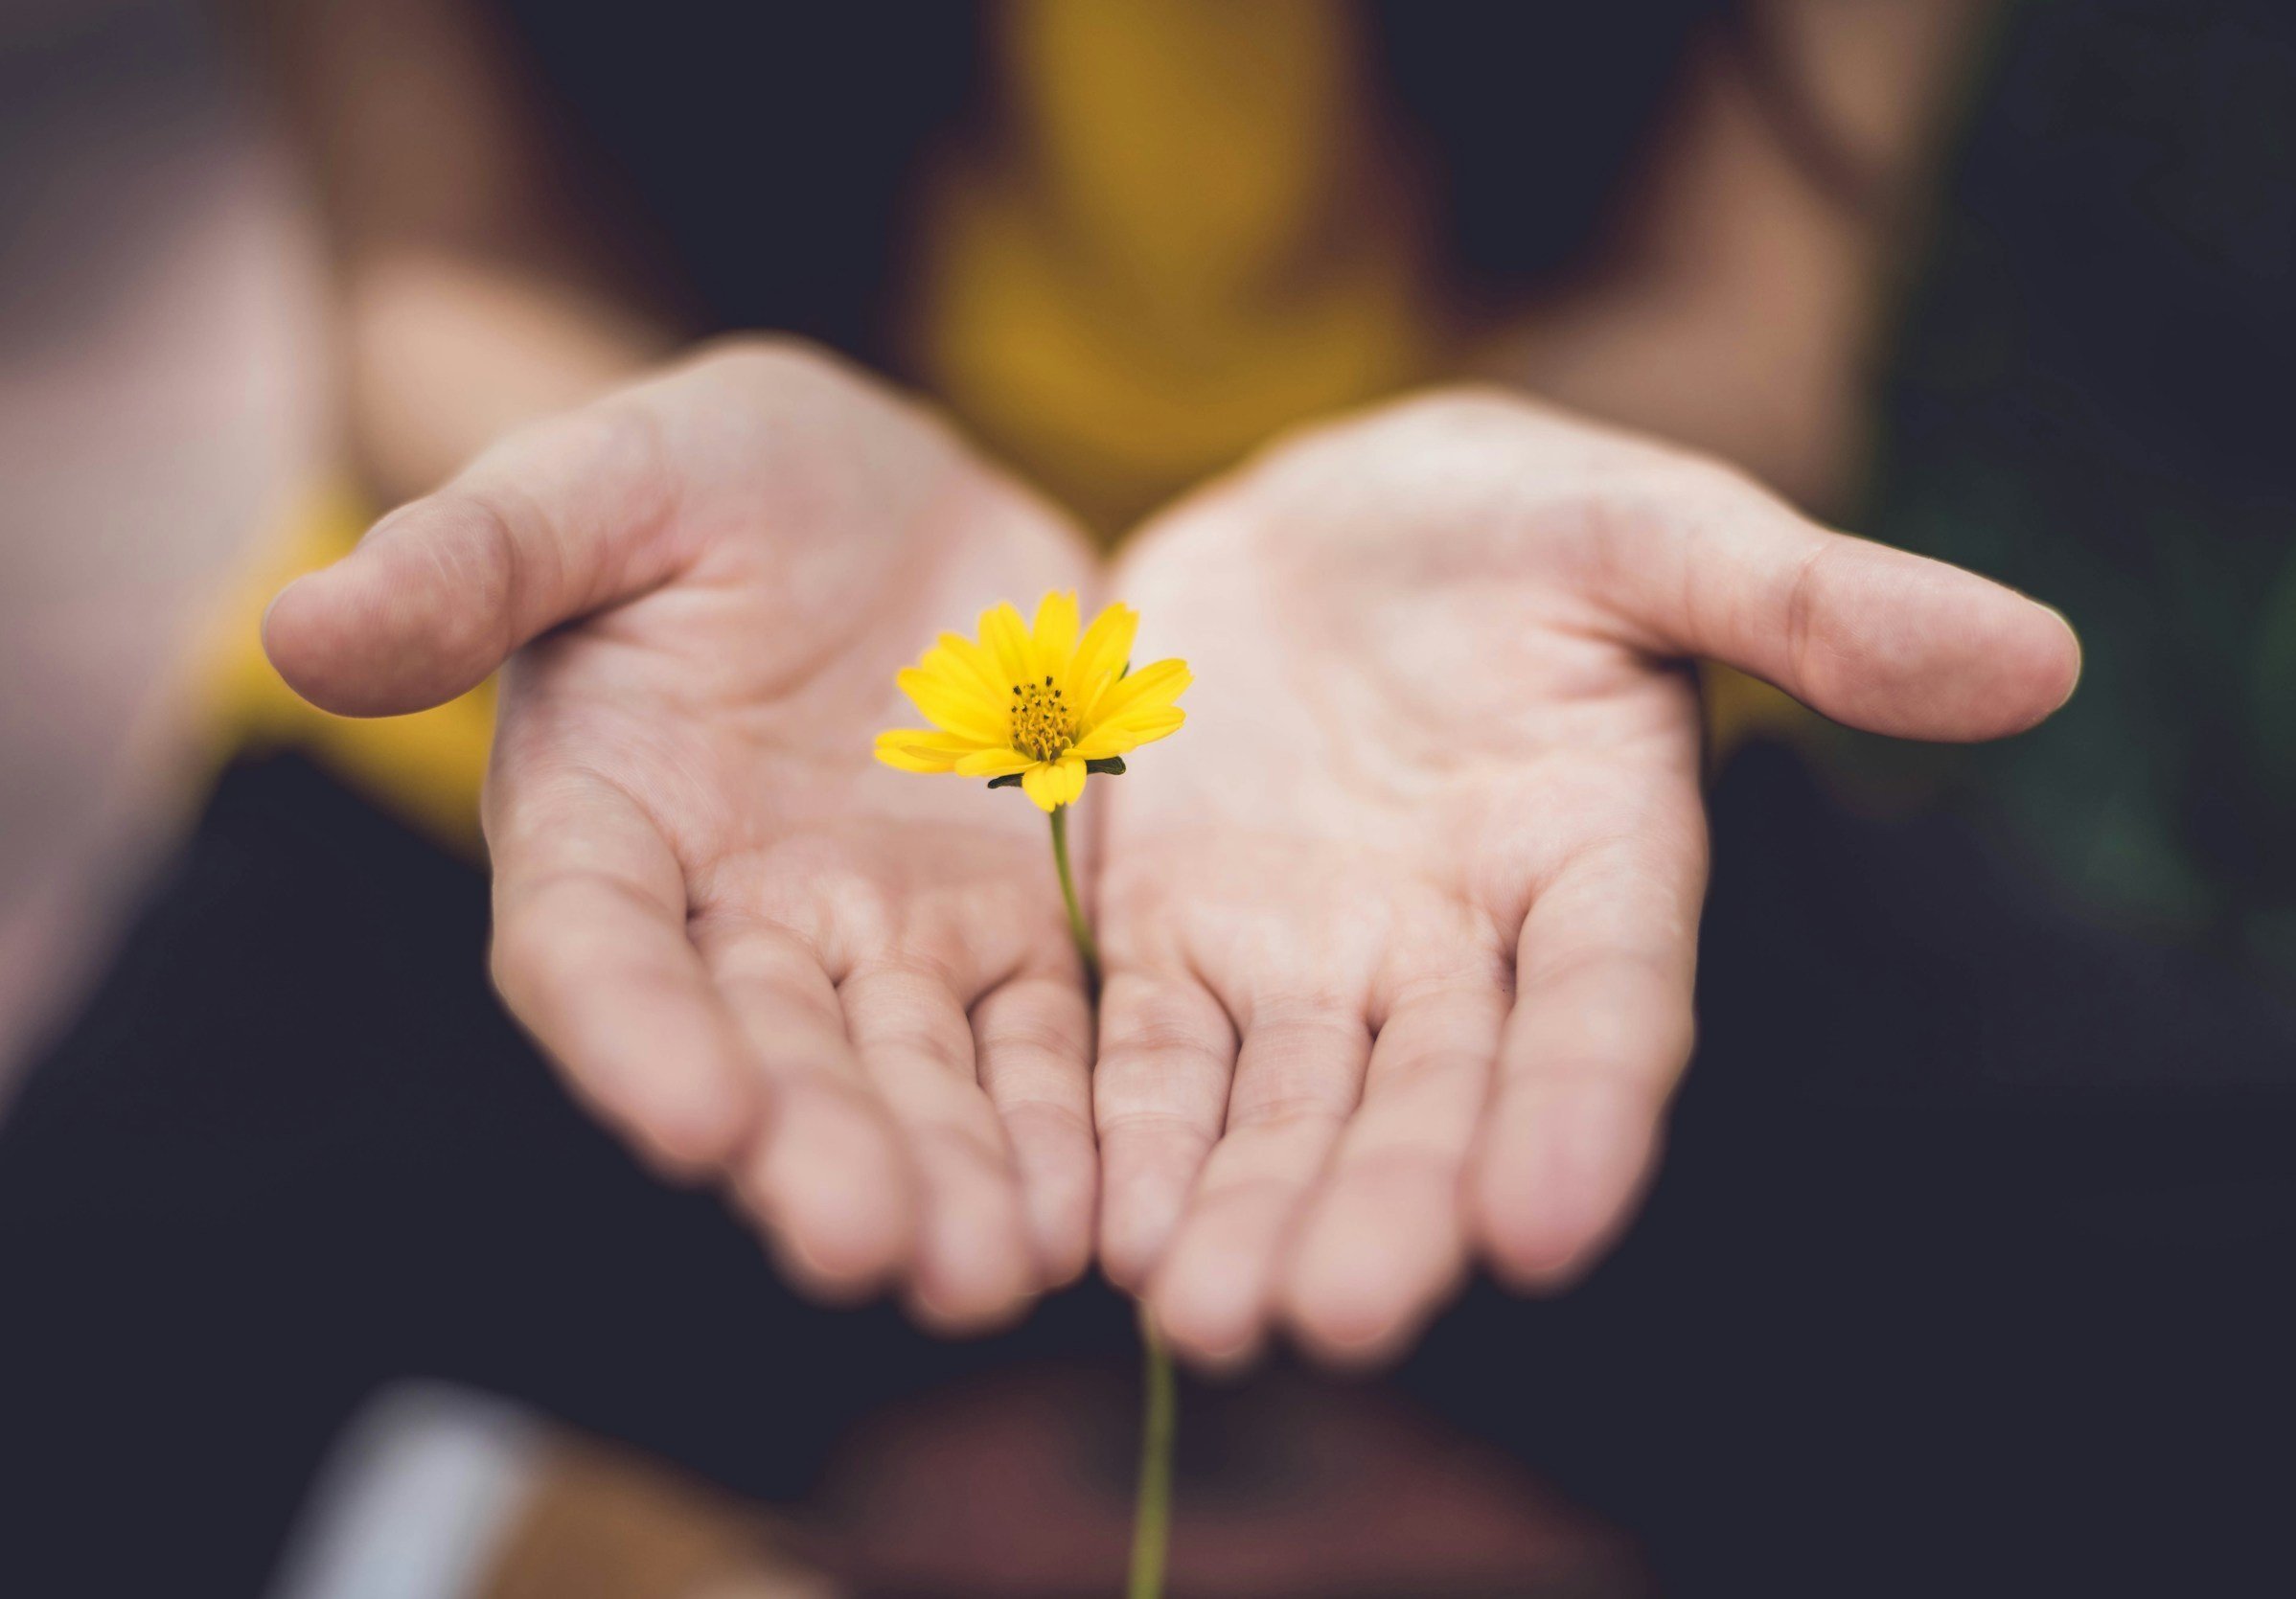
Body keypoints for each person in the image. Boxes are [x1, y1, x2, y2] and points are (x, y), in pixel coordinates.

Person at [6, 3, 2290, 1593]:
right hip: (657, 752)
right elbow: (443, 261)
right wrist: (625, 491)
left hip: (1464, 773)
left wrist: (1545, 482)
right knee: (84, 1390)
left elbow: (1736, 308)